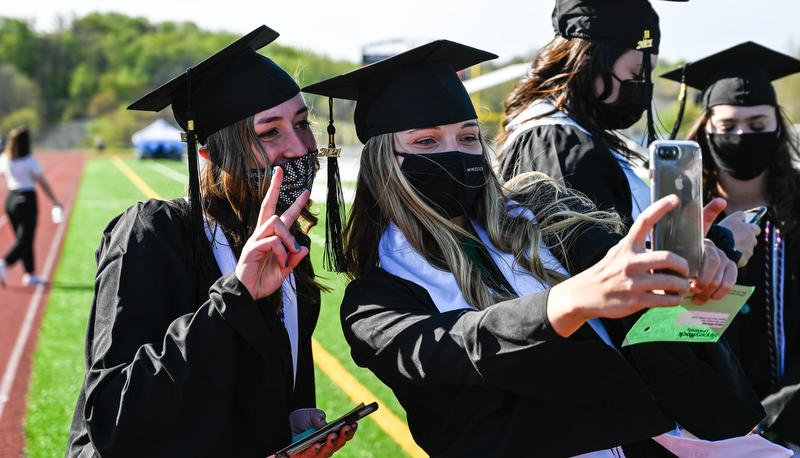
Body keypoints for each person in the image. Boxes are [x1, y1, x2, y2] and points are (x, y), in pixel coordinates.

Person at [302, 40, 775, 457]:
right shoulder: (376, 303)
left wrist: (696, 274)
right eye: (426, 141)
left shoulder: (544, 216)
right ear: (387, 160)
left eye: (469, 137)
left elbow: (637, 300)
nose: (456, 152)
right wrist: (570, 301)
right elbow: (461, 346)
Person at [65, 26, 357, 458]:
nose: (299, 149)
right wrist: (233, 298)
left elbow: (236, 401)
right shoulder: (153, 235)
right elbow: (113, 418)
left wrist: (286, 422)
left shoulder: (286, 245)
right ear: (212, 154)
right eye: (269, 133)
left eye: (301, 124)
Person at [662, 41, 800, 452]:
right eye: (728, 125)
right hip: (700, 430)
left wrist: (777, 420)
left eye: (758, 125)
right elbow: (670, 324)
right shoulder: (677, 212)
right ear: (705, 128)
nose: (743, 135)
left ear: (779, 127)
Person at [0, 125, 62, 287]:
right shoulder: (29, 160)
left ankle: (30, 274)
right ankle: (4, 263)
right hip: (26, 200)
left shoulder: (5, 158)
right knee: (26, 240)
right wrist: (55, 200)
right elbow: (42, 182)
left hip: (11, 200)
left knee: (23, 239)